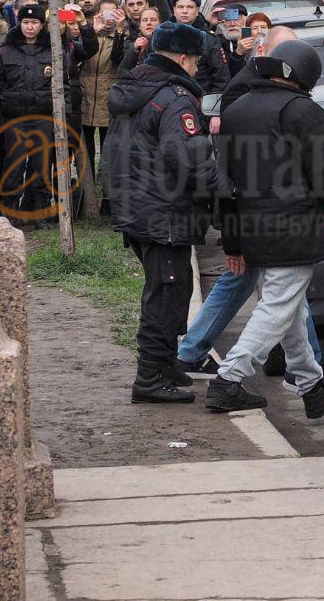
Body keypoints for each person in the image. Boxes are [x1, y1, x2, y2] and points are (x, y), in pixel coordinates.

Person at [204, 40, 324, 417]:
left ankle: (311, 384)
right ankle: (229, 378)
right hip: (294, 225)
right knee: (278, 306)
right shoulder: (303, 111)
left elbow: (224, 182)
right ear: (305, 76)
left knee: (289, 310)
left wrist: (232, 241)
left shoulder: (237, 109)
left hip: (251, 224)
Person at [177, 27, 324, 375]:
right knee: (278, 293)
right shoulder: (244, 90)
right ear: (262, 51)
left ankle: (304, 372)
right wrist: (232, 237)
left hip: (258, 214)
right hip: (259, 214)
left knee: (277, 292)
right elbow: (232, 168)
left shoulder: (268, 86)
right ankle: (237, 372)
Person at [102, 21, 220, 403]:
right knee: (165, 293)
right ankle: (149, 379)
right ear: (184, 58)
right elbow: (186, 156)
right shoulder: (174, 97)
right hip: (162, 210)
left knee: (177, 285)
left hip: (138, 204)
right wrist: (217, 194)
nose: (197, 69)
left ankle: (166, 363)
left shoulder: (136, 88)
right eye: (196, 61)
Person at [0, 3, 79, 219]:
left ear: (41, 25)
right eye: (26, 22)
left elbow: (64, 88)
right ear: (20, 24)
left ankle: (39, 211)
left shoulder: (53, 52)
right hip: (14, 118)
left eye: (34, 23)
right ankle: (10, 211)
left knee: (41, 166)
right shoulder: (5, 52)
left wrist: (67, 117)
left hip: (43, 118)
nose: (30, 27)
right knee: (13, 167)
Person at [79, 0, 128, 199]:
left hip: (109, 97)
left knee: (109, 151)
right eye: (104, 14)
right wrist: (92, 30)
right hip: (86, 96)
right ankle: (87, 195)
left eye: (113, 14)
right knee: (86, 151)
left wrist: (120, 31)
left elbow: (118, 58)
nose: (108, 19)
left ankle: (109, 197)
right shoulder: (89, 36)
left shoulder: (121, 36)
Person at [170, 0, 229, 94]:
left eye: (189, 7)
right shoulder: (162, 36)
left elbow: (221, 78)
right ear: (173, 10)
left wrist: (209, 105)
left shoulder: (209, 40)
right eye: (180, 7)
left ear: (197, 10)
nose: (184, 11)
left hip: (200, 99)